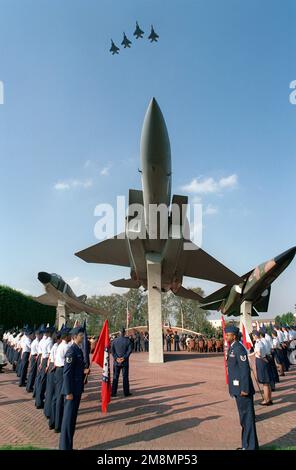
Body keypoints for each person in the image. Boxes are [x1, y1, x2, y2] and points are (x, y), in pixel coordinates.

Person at [225, 325, 258, 450]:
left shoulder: (239, 348)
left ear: (234, 336)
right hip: (237, 389)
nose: (226, 336)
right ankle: (246, 445)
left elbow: (244, 370)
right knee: (243, 420)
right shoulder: (232, 348)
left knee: (247, 419)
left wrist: (245, 388)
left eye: (228, 334)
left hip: (243, 390)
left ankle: (250, 447)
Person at [59, 326, 88, 450]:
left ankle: (68, 446)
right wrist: (68, 392)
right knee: (68, 420)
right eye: (81, 335)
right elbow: (67, 373)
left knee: (72, 420)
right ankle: (65, 447)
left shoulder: (78, 349)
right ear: (75, 337)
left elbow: (76, 370)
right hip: (72, 391)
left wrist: (84, 371)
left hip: (77, 388)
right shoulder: (71, 351)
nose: (83, 337)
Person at [50, 326, 71, 432]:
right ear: (66, 336)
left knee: (55, 397)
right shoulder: (66, 347)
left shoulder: (59, 345)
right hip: (62, 370)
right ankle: (58, 425)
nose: (71, 337)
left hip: (58, 370)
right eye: (70, 335)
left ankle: (53, 422)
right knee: (59, 399)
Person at [111, 327, 133, 397]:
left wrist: (116, 358)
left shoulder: (114, 341)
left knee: (115, 377)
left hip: (116, 362)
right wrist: (124, 357)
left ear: (119, 333)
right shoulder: (128, 341)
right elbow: (129, 351)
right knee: (125, 377)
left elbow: (112, 351)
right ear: (124, 333)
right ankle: (126, 392)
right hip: (125, 362)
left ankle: (113, 392)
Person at [253, 331, 273, 406]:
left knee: (265, 382)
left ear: (255, 336)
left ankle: (266, 400)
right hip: (265, 360)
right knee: (267, 382)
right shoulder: (262, 341)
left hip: (261, 361)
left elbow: (259, 353)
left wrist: (262, 358)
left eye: (253, 335)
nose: (253, 337)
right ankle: (269, 399)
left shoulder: (258, 343)